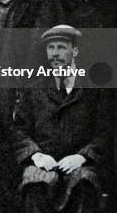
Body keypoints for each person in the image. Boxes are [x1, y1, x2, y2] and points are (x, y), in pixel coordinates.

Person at [12, 25, 115, 213]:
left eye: (61, 47)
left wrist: (82, 156)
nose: (55, 54)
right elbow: (19, 129)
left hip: (81, 162)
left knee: (84, 182)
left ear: (75, 51)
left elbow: (106, 130)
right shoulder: (33, 86)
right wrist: (36, 155)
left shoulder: (95, 87)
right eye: (51, 48)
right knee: (35, 183)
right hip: (44, 160)